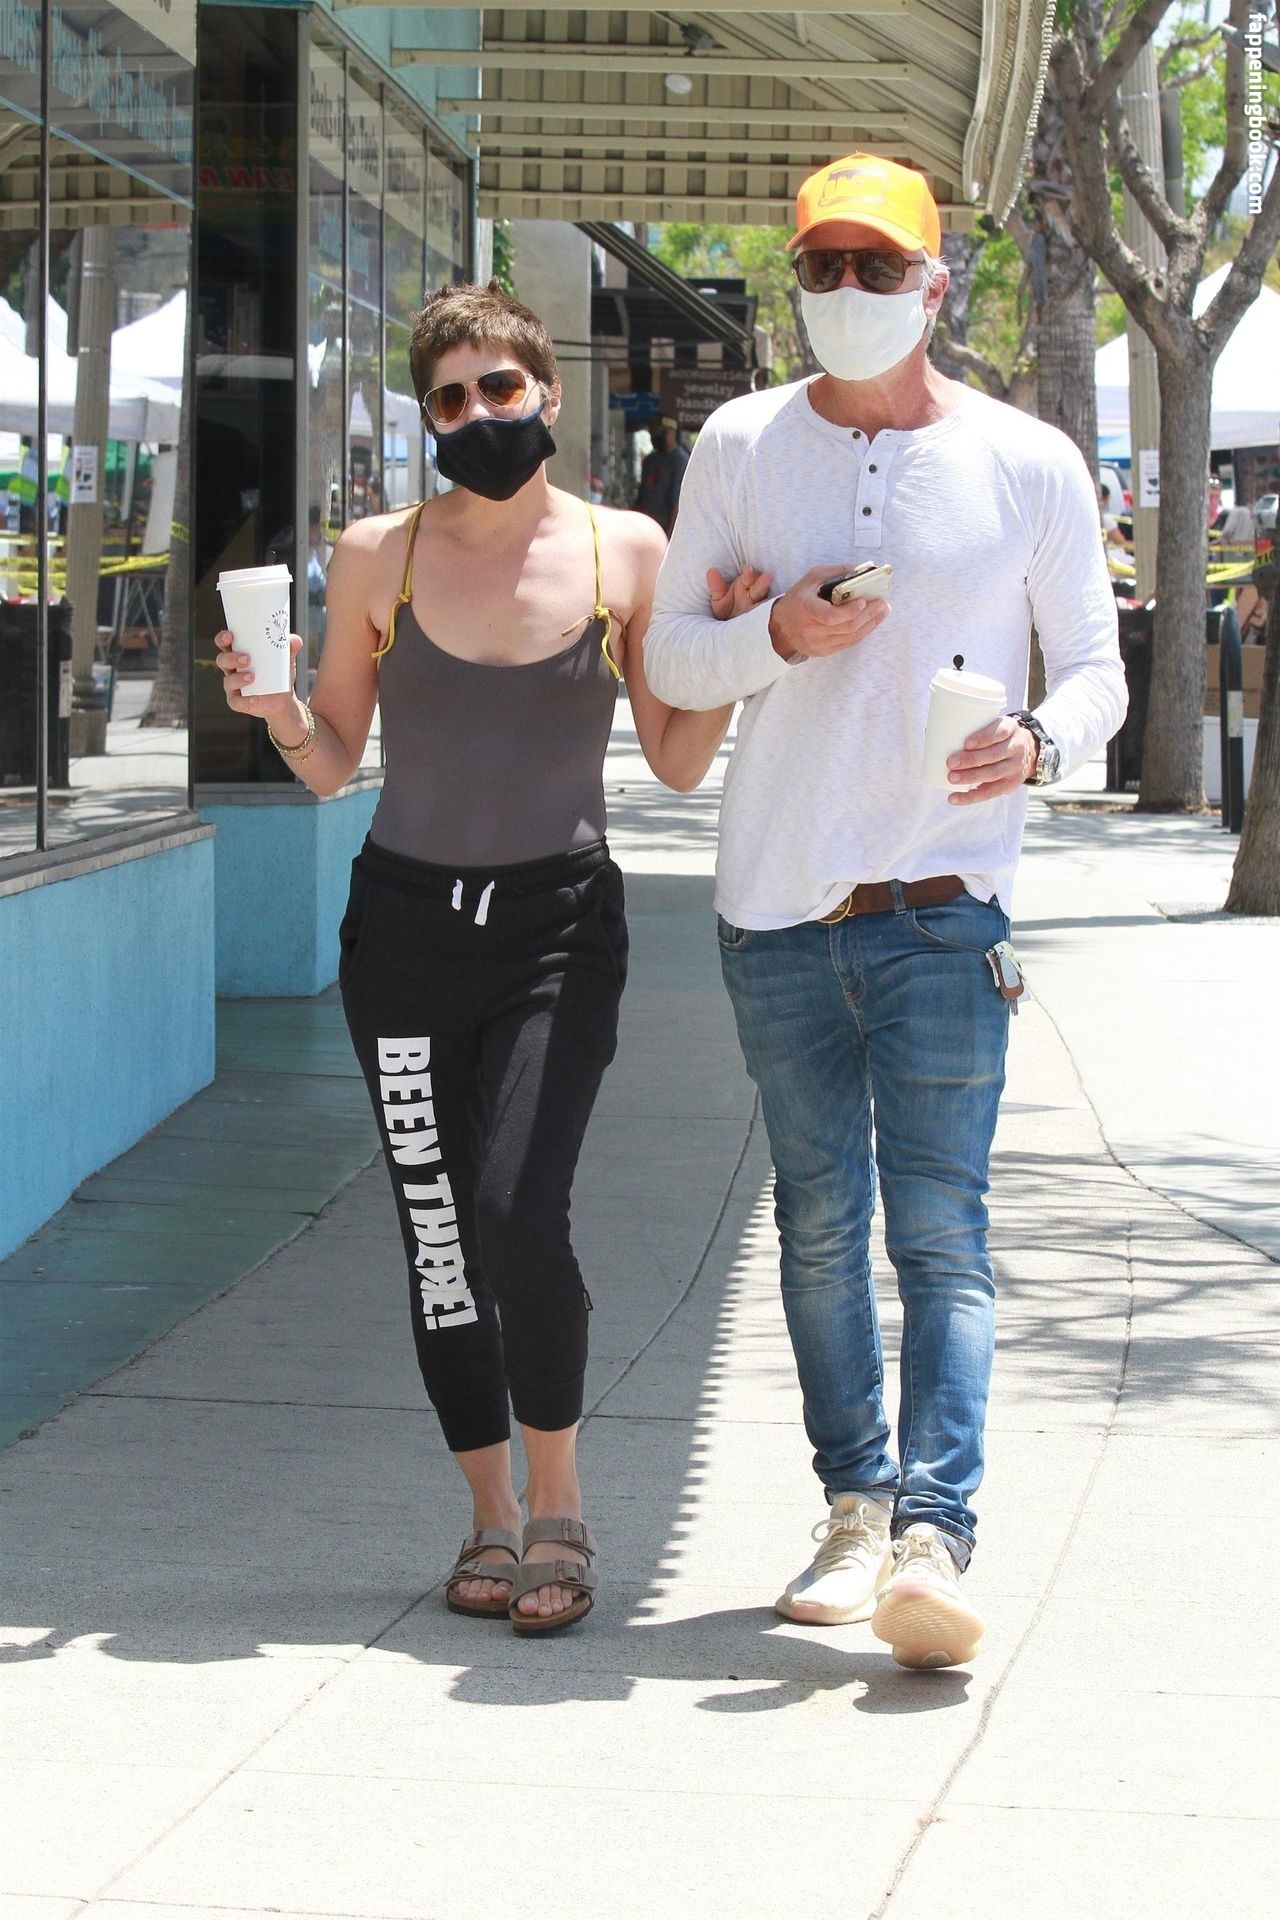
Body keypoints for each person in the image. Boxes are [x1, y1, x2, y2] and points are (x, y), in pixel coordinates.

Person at [644, 153, 1128, 1670]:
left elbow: (1098, 673)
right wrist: (774, 635)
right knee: (815, 1225)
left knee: (941, 1232)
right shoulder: (737, 444)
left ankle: (934, 1533)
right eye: (820, 266)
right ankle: (852, 1508)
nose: (845, 290)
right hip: (775, 905)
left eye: (875, 266)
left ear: (933, 281)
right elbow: (670, 662)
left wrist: (1040, 743)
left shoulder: (1026, 460)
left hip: (943, 907)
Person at [215, 281, 751, 1634]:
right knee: (441, 1239)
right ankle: (488, 1514)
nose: (476, 414)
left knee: (515, 1209)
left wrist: (741, 655)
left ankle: (560, 1501)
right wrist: (276, 708)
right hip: (402, 936)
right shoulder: (377, 556)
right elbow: (332, 763)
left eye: (498, 388)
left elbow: (676, 762)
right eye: (448, 398)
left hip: (555, 932)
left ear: (545, 392)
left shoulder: (626, 548)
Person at [635, 421, 689, 535]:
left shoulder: (680, 460)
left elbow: (677, 500)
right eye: (651, 433)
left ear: (670, 433)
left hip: (665, 527)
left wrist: (670, 534)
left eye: (657, 433)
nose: (654, 437)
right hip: (646, 526)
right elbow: (642, 494)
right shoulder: (650, 460)